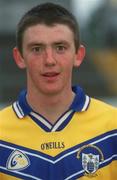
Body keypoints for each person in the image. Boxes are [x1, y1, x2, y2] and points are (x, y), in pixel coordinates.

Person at [0, 2, 117, 180]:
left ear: (78, 55)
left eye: (60, 48)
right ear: (20, 57)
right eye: (37, 49)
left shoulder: (113, 126)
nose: (49, 60)